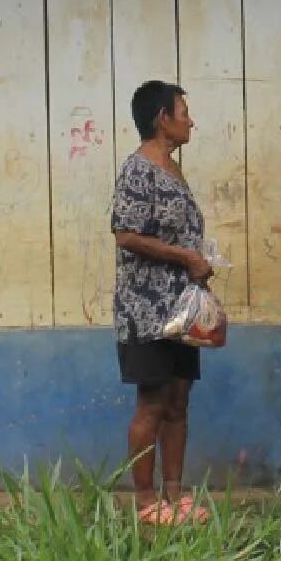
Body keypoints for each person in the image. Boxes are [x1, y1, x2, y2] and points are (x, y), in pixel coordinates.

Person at [110, 80, 214, 525]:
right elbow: (126, 234)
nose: (191, 120)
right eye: (184, 111)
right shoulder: (139, 170)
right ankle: (146, 500)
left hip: (180, 310)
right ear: (162, 119)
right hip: (145, 309)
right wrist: (185, 256)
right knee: (151, 403)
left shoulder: (173, 169)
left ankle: (175, 493)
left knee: (179, 400)